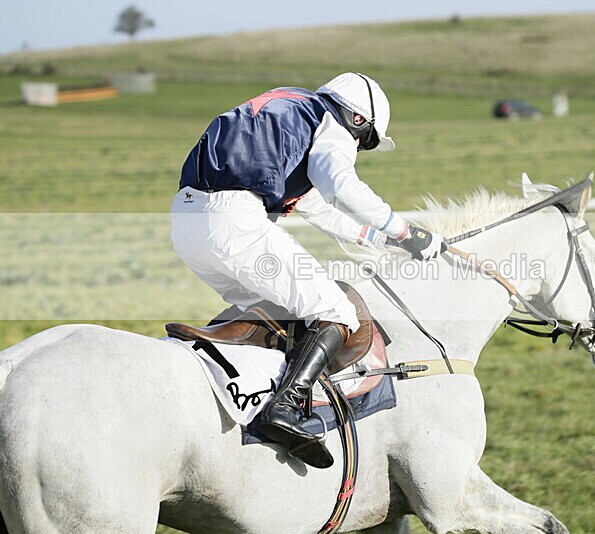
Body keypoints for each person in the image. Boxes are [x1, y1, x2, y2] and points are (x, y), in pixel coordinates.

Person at [170, 73, 446, 468]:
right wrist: (406, 230)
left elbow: (315, 206)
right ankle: (283, 410)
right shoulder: (329, 124)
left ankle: (255, 398)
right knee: (338, 312)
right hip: (235, 222)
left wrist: (383, 239)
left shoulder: (293, 109)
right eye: (365, 140)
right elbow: (342, 186)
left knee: (282, 313)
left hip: (188, 225)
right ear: (357, 119)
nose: (359, 147)